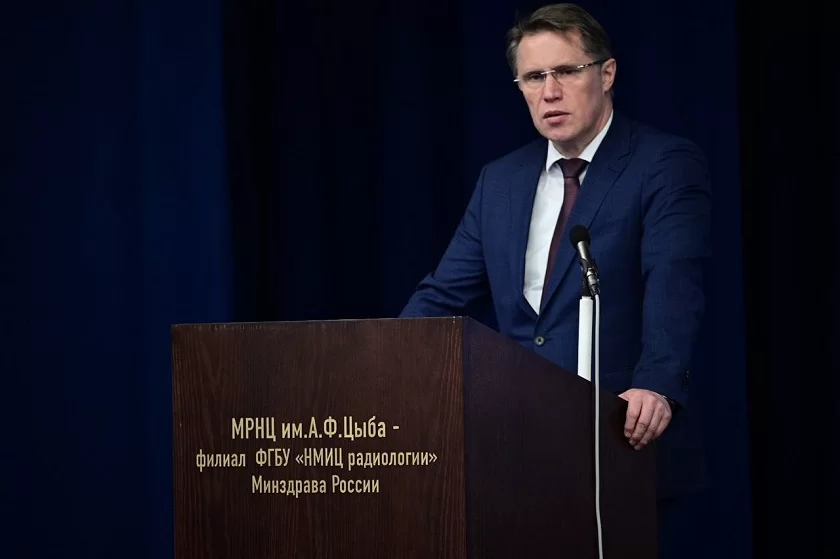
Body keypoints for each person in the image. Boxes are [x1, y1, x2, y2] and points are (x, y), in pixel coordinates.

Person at [399, 3, 712, 558]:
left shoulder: (662, 163)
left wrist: (658, 383)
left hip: (620, 441)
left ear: (606, 74)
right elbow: (443, 296)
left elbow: (673, 281)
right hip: (515, 453)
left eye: (566, 72)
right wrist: (383, 364)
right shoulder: (501, 181)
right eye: (533, 77)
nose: (549, 92)